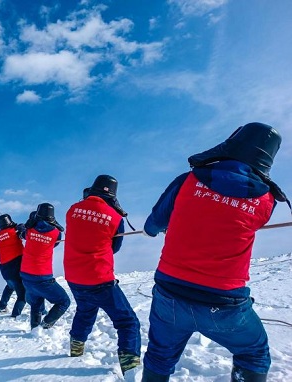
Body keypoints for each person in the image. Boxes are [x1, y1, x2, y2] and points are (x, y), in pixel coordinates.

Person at [141, 122, 290, 382]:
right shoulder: (266, 201)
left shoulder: (187, 180)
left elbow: (152, 226)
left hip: (170, 293)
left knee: (159, 356)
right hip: (224, 303)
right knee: (253, 353)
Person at [64, 174, 142, 377]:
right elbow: (115, 247)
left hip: (74, 277)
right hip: (100, 278)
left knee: (85, 311)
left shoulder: (72, 210)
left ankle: (75, 348)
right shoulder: (115, 217)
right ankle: (130, 367)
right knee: (128, 322)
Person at [20, 203, 71, 330]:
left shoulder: (29, 230)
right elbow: (54, 244)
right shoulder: (56, 232)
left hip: (25, 274)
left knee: (36, 303)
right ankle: (45, 325)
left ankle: (35, 329)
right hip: (43, 276)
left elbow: (22, 235)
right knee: (64, 301)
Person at [0, 214, 27, 317]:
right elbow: (22, 232)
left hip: (4, 268)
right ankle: (15, 315)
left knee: (10, 286)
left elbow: (9, 235)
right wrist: (21, 228)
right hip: (15, 265)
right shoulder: (14, 232)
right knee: (22, 295)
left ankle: (1, 307)